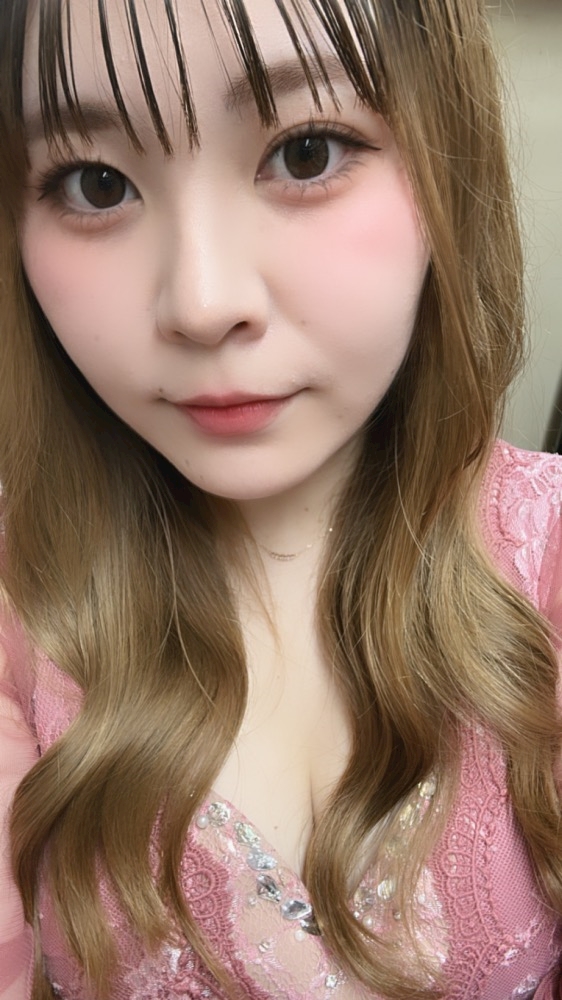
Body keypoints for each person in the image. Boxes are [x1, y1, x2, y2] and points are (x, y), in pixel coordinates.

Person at [0, 0, 561, 997]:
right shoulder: (17, 609)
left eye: (306, 153)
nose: (202, 302)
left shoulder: (545, 553)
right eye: (96, 183)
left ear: (445, 148)